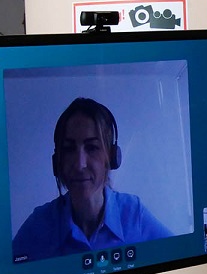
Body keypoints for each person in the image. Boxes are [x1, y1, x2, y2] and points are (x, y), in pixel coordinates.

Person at [12, 97, 173, 260]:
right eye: (69, 149)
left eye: (92, 148)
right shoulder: (39, 224)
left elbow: (177, 257)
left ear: (111, 157)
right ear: (57, 161)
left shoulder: (133, 215)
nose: (80, 164)